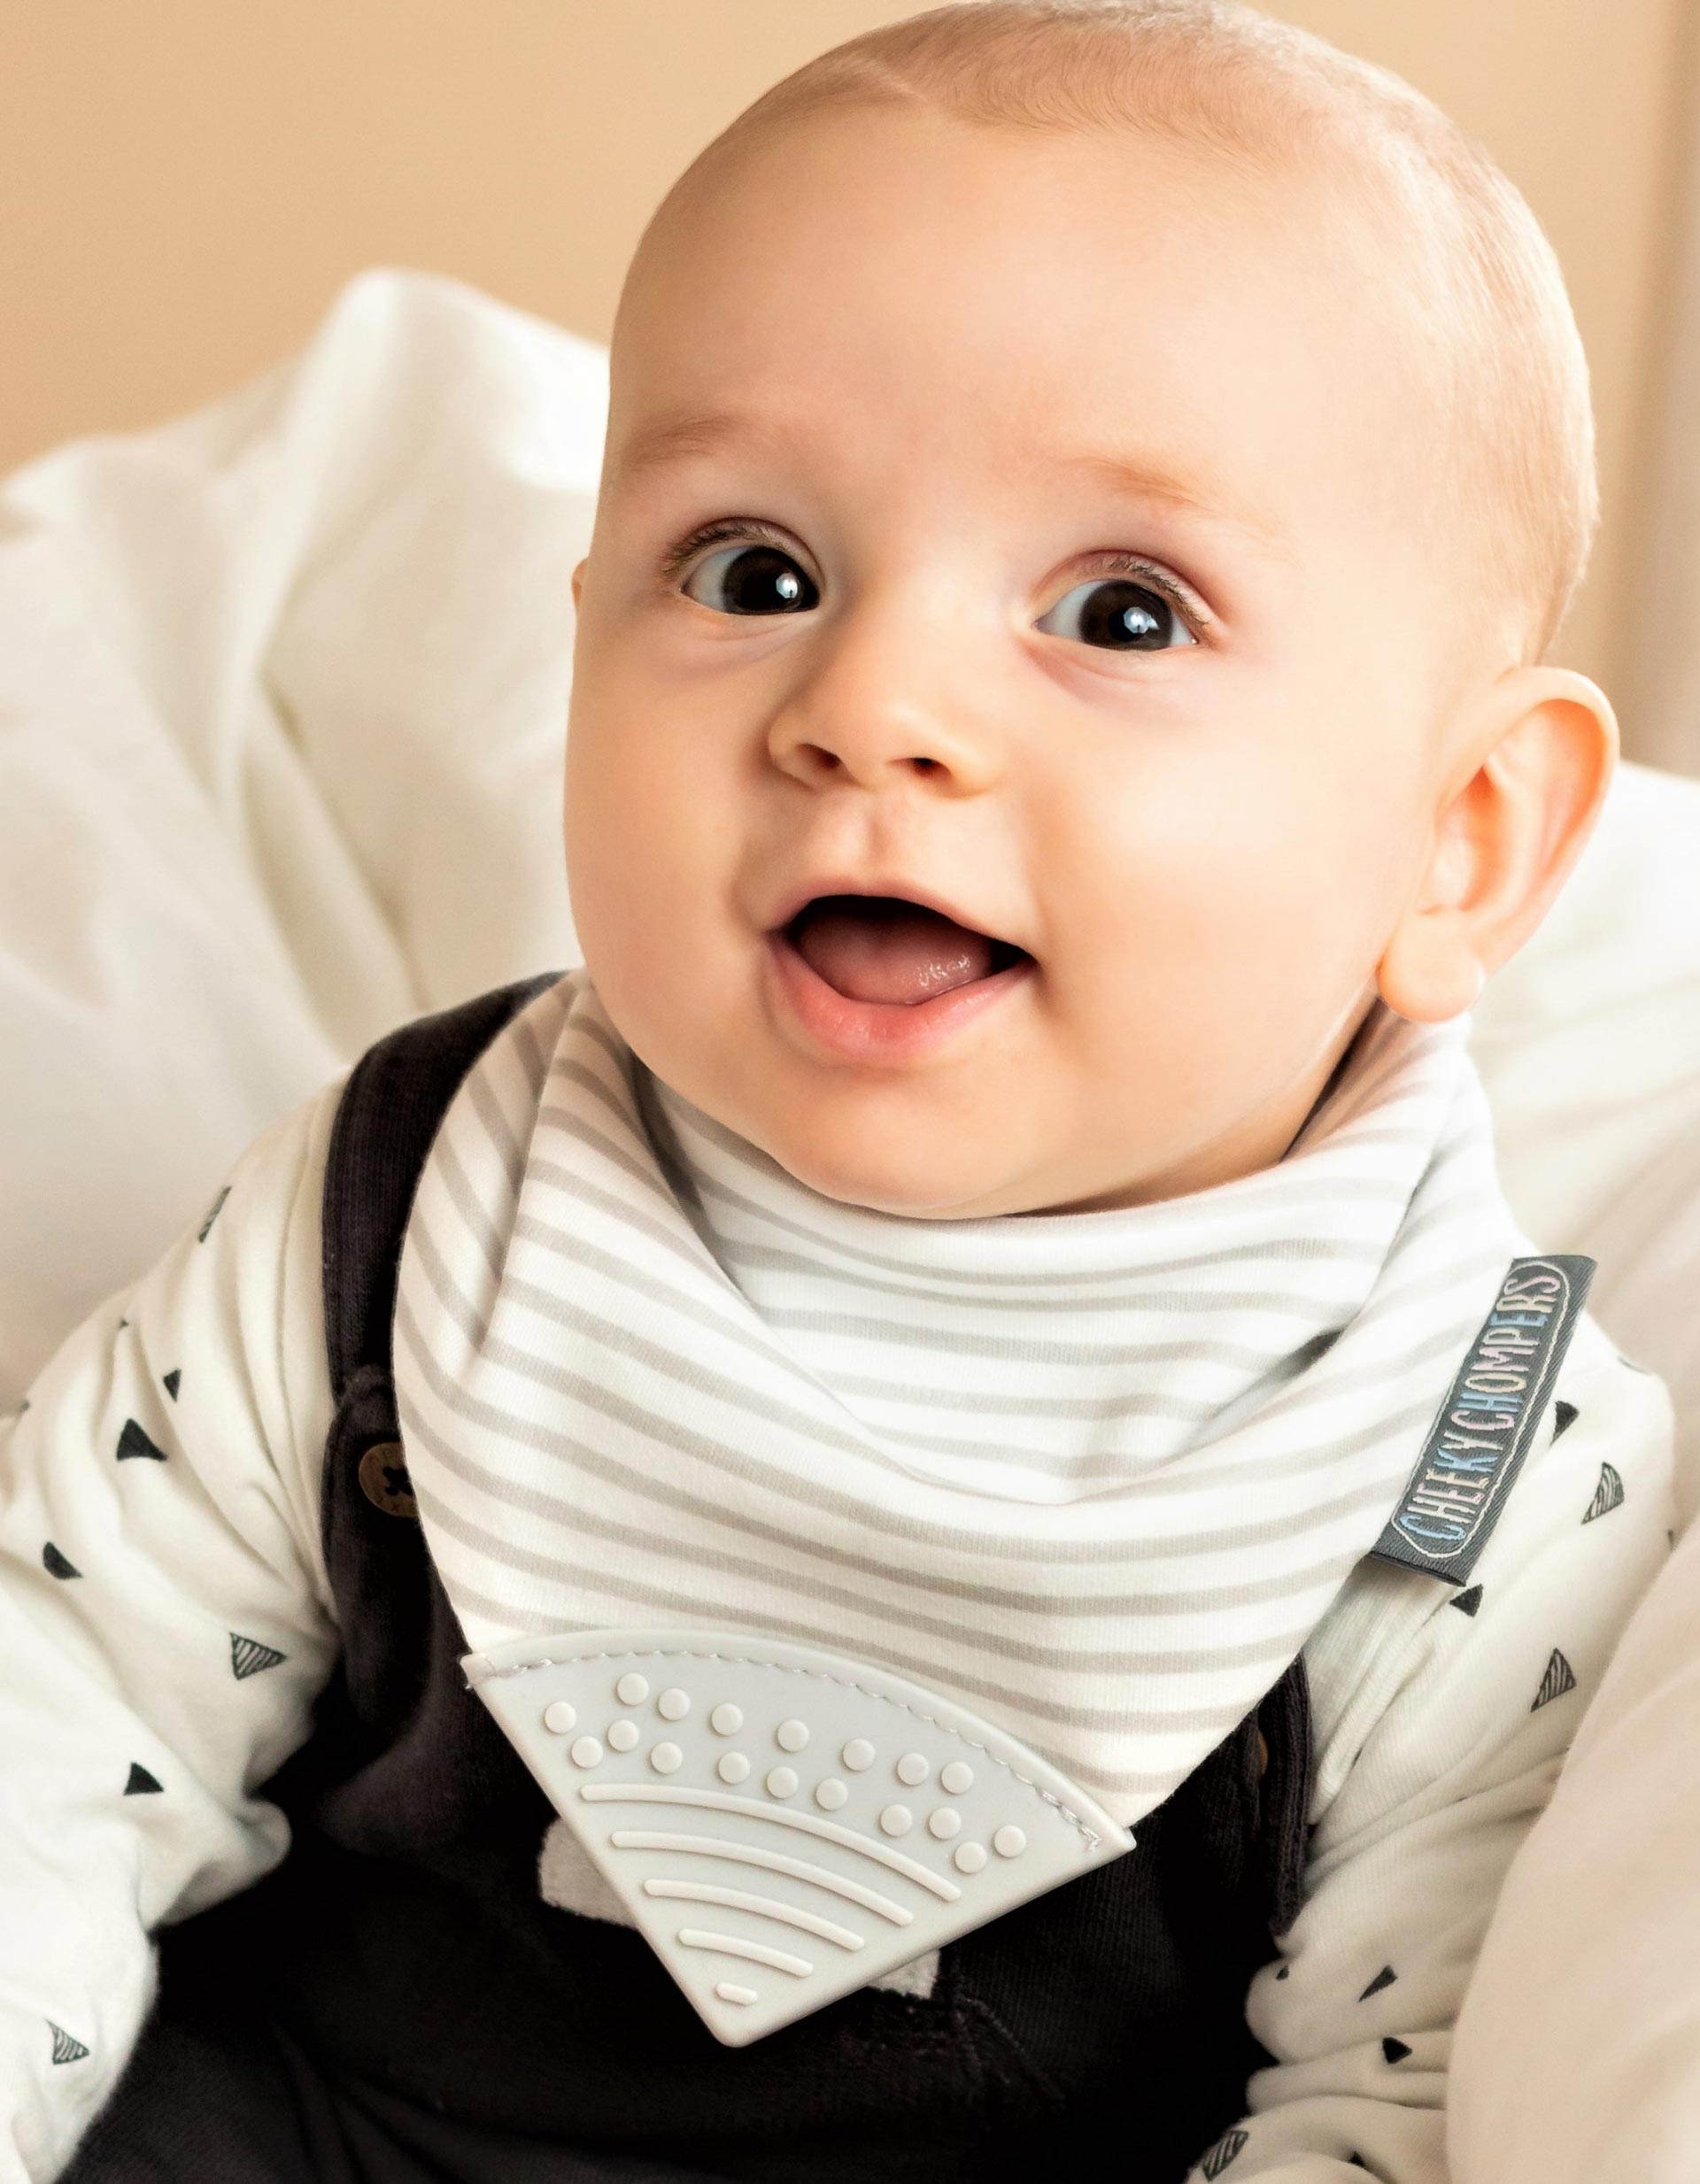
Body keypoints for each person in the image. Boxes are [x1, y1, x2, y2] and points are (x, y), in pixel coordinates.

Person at [0, 3, 1676, 2180]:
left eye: (1124, 611)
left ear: (1459, 838)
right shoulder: (401, 1207)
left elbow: (1395, 2092)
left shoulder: (1474, 1453)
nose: (871, 703)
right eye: (755, 573)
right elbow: (63, 1701)